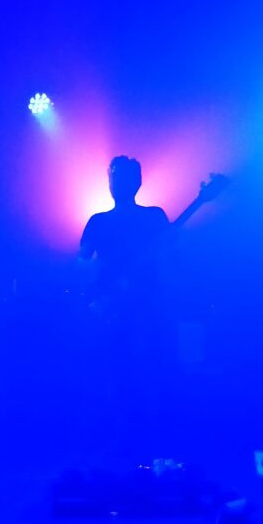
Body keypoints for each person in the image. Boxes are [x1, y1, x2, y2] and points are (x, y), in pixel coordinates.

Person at [78, 156, 176, 461]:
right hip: (112, 309)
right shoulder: (98, 221)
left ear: (138, 181)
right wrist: (95, 296)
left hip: (148, 307)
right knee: (115, 372)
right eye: (114, 177)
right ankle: (118, 440)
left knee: (151, 369)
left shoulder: (154, 217)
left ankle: (153, 442)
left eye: (124, 177)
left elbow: (171, 258)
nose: (117, 183)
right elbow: (81, 264)